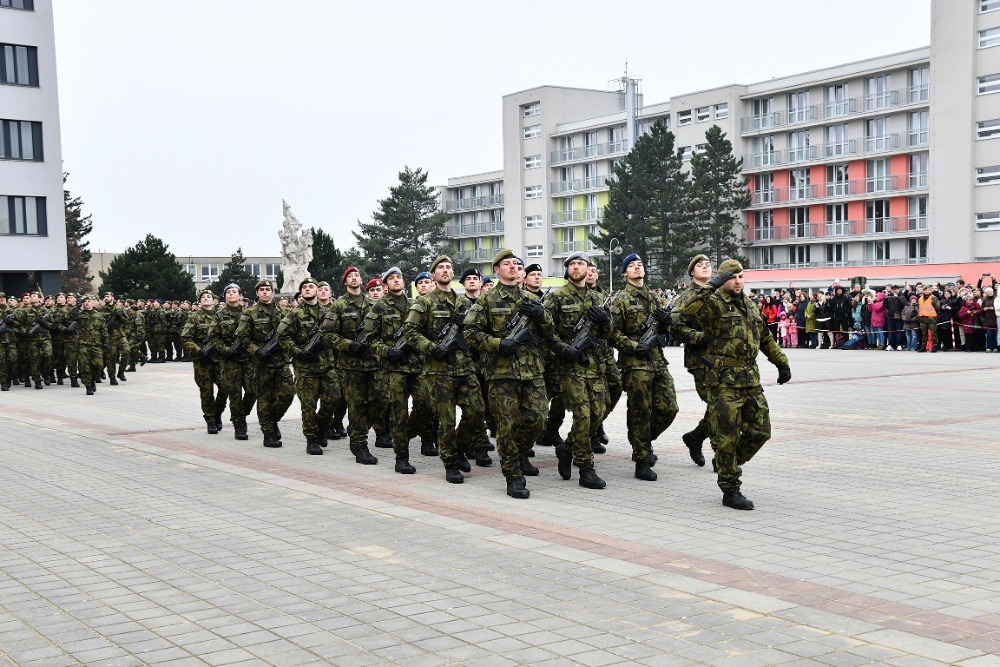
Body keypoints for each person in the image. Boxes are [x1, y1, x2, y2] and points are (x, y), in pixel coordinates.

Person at [680, 260, 791, 510]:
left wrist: (781, 363)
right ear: (723, 279)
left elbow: (764, 337)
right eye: (732, 277)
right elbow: (686, 311)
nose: (738, 281)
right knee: (727, 436)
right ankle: (730, 488)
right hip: (722, 381)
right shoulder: (712, 303)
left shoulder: (750, 305)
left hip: (750, 378)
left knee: (761, 430)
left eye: (741, 276)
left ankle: (725, 462)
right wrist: (711, 286)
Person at [465, 249, 556, 498]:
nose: (513, 267)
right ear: (497, 270)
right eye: (507, 264)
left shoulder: (532, 299)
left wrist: (542, 316)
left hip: (532, 370)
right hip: (501, 373)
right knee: (506, 426)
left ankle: (515, 455)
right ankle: (513, 476)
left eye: (516, 264)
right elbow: (470, 332)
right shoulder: (487, 300)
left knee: (538, 417)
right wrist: (498, 344)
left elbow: (549, 331)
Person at [404, 256, 488, 483]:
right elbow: (410, 332)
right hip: (439, 370)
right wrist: (431, 348)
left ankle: (459, 447)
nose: (445, 270)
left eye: (448, 267)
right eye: (440, 267)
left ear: (453, 273)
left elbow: (475, 331)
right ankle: (450, 462)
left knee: (476, 411)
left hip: (465, 366)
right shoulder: (424, 303)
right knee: (446, 419)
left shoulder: (465, 303)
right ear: (433, 275)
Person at [543, 251, 613, 489]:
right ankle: (586, 468)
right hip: (570, 366)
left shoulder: (597, 297)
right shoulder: (556, 297)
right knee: (583, 415)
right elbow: (545, 330)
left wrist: (605, 321)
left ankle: (567, 448)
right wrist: (563, 349)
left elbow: (608, 334)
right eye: (572, 264)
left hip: (594, 366)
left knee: (597, 413)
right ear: (567, 269)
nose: (576, 267)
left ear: (587, 268)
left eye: (580, 263)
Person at [608, 253, 678, 481]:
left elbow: (664, 330)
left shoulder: (654, 297)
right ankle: (641, 459)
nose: (637, 267)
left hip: (657, 360)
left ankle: (642, 441)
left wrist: (666, 321)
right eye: (632, 265)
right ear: (624, 273)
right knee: (640, 411)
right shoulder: (620, 300)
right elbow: (611, 332)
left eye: (639, 264)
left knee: (669, 407)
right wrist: (632, 345)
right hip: (635, 363)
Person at [366, 267, 429, 473]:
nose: (396, 281)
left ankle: (406, 434)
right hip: (394, 369)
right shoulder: (379, 308)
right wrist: (386, 351)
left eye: (399, 277)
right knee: (398, 413)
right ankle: (401, 457)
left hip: (417, 365)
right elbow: (369, 339)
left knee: (426, 404)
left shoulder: (415, 305)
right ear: (385, 285)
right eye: (391, 278)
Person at [321, 267, 381, 465]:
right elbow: (327, 334)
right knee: (356, 406)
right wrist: (348, 345)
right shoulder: (338, 306)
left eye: (356, 275)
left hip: (373, 363)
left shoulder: (373, 304)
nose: (354, 278)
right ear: (345, 281)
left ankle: (358, 432)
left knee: (378, 403)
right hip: (351, 365)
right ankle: (359, 444)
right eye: (349, 276)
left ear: (361, 279)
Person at [278, 278, 342, 455]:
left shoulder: (330, 312)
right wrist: (297, 351)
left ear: (317, 290)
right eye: (304, 287)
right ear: (301, 292)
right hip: (305, 367)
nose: (307, 289)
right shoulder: (294, 314)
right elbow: (282, 336)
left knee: (335, 397)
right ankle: (311, 439)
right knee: (308, 405)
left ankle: (321, 426)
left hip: (327, 364)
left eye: (311, 286)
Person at [236, 279, 295, 448]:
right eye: (261, 289)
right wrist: (256, 351)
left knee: (288, 394)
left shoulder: (283, 312)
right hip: (261, 363)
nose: (264, 292)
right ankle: (268, 433)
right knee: (264, 399)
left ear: (272, 292)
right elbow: (243, 338)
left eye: (267, 289)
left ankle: (271, 420)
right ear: (257, 293)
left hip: (281, 361)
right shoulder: (249, 313)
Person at [671, 254, 714, 466]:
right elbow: (676, 328)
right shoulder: (687, 297)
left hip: (725, 360)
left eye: (708, 265)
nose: (705, 267)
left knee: (721, 406)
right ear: (692, 273)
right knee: (718, 405)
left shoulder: (720, 294)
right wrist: (700, 337)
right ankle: (722, 457)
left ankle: (696, 437)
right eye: (700, 265)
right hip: (701, 360)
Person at [212, 284, 256, 440]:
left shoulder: (249, 313)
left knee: (252, 391)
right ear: (225, 297)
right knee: (235, 395)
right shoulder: (219, 315)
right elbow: (214, 337)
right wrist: (225, 350)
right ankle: (239, 426)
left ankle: (240, 415)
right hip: (230, 361)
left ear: (240, 295)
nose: (231, 294)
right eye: (228, 292)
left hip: (248, 359)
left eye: (234, 292)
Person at [181, 290, 228, 433]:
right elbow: (185, 337)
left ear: (214, 300)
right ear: (200, 301)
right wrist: (198, 350)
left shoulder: (221, 316)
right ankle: (210, 420)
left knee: (225, 388)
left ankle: (217, 413)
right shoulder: (194, 317)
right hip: (203, 360)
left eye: (209, 297)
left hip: (219, 359)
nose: (206, 298)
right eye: (203, 297)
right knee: (206, 391)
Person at [75, 295, 108, 395]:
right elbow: (67, 317)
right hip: (83, 345)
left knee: (98, 365)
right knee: (84, 366)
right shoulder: (79, 315)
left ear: (93, 303)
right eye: (85, 302)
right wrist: (76, 307)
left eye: (89, 301)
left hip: (96, 345)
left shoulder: (99, 316)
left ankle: (93, 379)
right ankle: (88, 385)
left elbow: (104, 329)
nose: (87, 303)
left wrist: (105, 341)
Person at [917, 285, 940, 352]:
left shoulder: (933, 298)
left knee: (933, 333)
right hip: (923, 317)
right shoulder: (920, 298)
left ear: (930, 290)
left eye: (928, 290)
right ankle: (923, 347)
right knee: (924, 333)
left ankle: (934, 346)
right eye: (925, 290)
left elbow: (938, 307)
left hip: (931, 317)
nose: (926, 291)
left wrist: (933, 314)